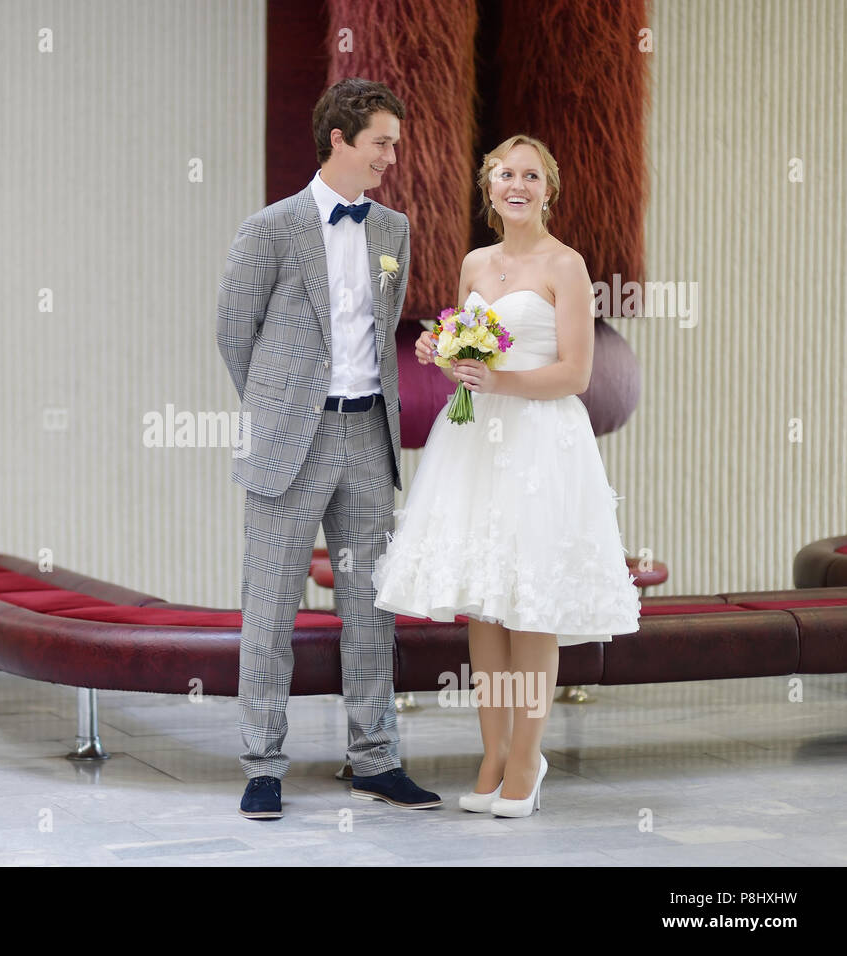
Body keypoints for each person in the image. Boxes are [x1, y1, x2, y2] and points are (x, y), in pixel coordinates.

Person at [372, 134, 641, 818]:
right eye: (503, 175)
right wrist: (439, 350)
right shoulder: (474, 264)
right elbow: (468, 344)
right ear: (488, 189)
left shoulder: (567, 266)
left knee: (531, 604)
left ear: (547, 189)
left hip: (542, 444)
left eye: (529, 175)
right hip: (476, 441)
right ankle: (491, 750)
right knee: (485, 605)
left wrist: (496, 375)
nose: (515, 185)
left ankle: (528, 753)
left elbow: (577, 374)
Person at [217, 77, 441, 819]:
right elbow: (233, 334)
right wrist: (283, 407)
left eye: (394, 144)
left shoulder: (394, 230)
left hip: (367, 434)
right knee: (270, 609)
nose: (390, 157)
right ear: (339, 140)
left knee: (371, 607)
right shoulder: (269, 228)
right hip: (290, 441)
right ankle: (262, 765)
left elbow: (385, 328)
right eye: (381, 142)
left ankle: (375, 759)